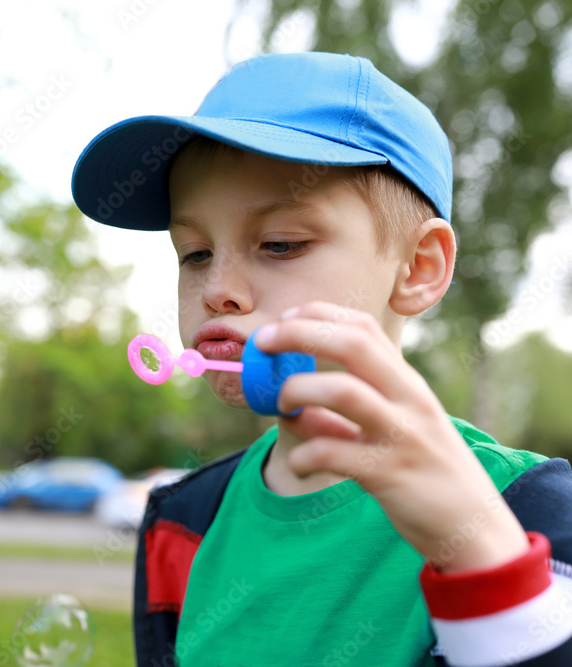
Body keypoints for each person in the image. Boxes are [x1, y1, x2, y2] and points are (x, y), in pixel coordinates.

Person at [70, 52, 572, 666]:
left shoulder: (530, 512)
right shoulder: (183, 519)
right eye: (195, 253)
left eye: (280, 244)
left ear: (418, 268)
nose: (216, 289)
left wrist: (480, 553)